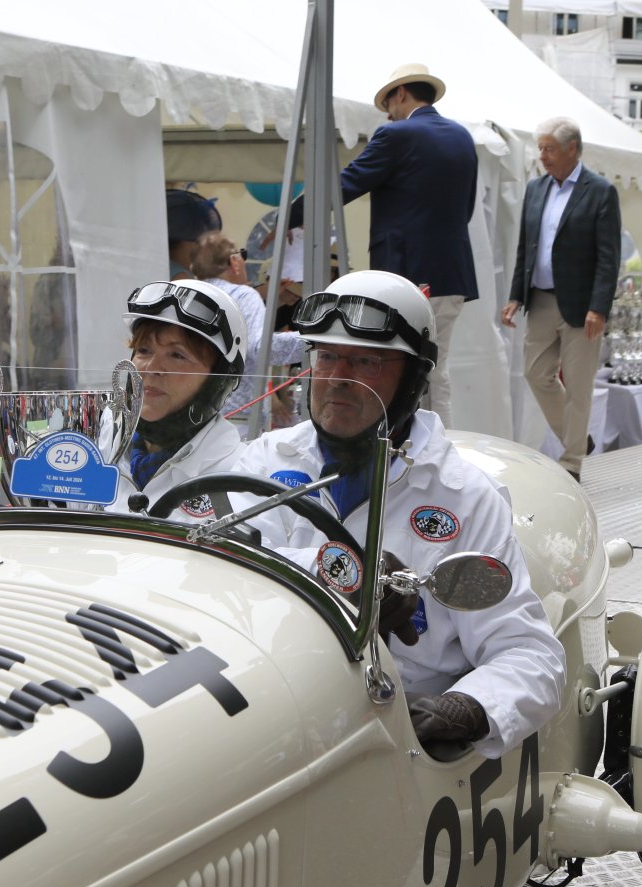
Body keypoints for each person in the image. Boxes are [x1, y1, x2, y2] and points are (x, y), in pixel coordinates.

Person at [237, 270, 564, 757]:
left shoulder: (464, 496)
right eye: (326, 356)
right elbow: (227, 574)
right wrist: (342, 574)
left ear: (413, 379)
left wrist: (465, 707)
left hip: (398, 739)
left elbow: (530, 654)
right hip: (271, 713)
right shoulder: (263, 460)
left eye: (365, 362)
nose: (338, 378)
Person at [288, 64, 479, 425]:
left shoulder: (396, 134)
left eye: (388, 104)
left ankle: (414, 446)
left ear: (401, 93)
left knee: (405, 367)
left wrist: (290, 215)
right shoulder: (462, 137)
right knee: (434, 368)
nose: (388, 114)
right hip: (452, 271)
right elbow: (465, 209)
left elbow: (344, 185)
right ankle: (437, 443)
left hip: (406, 274)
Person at [501, 118, 621, 480]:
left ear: (572, 149)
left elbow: (609, 257)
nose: (542, 155)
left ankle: (572, 462)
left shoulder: (600, 191)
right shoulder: (536, 188)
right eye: (540, 148)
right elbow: (526, 247)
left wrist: (599, 307)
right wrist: (515, 296)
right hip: (539, 299)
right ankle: (578, 439)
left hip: (582, 306)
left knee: (579, 387)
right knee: (535, 373)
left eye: (548, 148)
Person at [108, 279, 247, 519]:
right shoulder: (94, 446)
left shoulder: (240, 473)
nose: (152, 368)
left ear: (218, 381)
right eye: (144, 350)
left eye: (177, 355)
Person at [189, 232, 304, 421]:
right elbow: (261, 348)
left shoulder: (187, 296)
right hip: (237, 417)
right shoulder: (243, 295)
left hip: (191, 415)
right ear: (234, 261)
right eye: (242, 255)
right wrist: (313, 339)